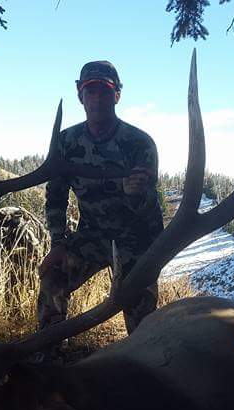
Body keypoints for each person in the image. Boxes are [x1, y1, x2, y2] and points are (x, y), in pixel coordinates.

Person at [37, 60, 164, 336]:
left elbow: (151, 210)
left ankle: (142, 354)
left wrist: (136, 196)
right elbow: (55, 196)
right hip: (91, 235)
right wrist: (58, 244)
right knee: (53, 275)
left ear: (117, 95)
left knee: (142, 319)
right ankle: (46, 349)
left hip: (136, 239)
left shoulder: (140, 143)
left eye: (105, 91)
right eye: (90, 91)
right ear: (80, 95)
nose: (97, 98)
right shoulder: (65, 142)